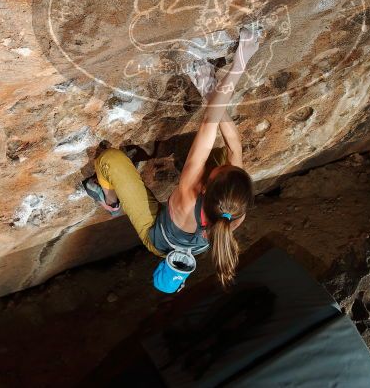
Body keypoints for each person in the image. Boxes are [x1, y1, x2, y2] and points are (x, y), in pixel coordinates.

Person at [82, 25, 261, 289]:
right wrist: (209, 88)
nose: (221, 168)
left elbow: (209, 124)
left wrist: (240, 62)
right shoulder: (235, 210)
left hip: (159, 238)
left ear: (205, 188)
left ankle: (109, 201)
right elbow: (235, 148)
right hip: (191, 229)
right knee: (224, 154)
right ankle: (209, 93)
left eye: (214, 174)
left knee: (110, 160)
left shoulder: (188, 195)